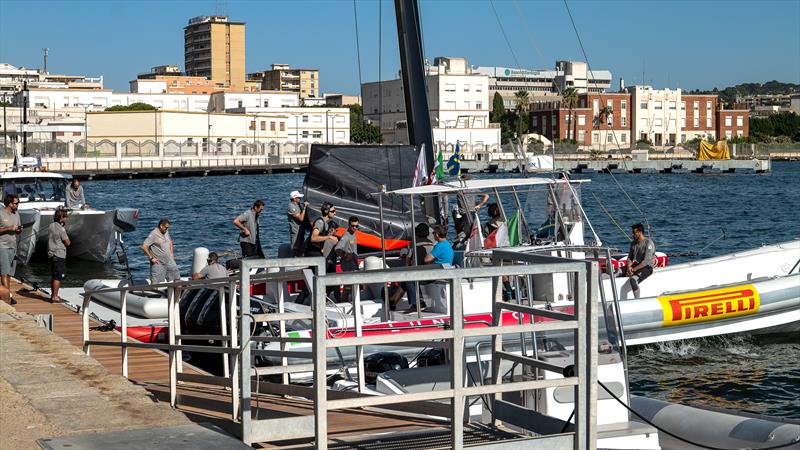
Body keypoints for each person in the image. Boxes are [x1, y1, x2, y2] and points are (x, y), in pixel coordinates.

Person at [390, 223, 435, 312]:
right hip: (429, 271)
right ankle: (392, 301)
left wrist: (407, 267)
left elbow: (408, 258)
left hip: (418, 272)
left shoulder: (414, 244)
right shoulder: (431, 244)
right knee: (405, 283)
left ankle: (415, 303)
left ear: (417, 232)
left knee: (408, 280)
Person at [621, 223, 656, 299]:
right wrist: (629, 267)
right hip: (635, 266)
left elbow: (646, 261)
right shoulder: (633, 244)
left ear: (640, 233)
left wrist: (633, 270)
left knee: (633, 280)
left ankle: (637, 300)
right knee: (616, 271)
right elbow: (630, 258)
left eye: (634, 233)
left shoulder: (648, 243)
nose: (632, 235)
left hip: (647, 268)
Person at [141, 218, 180, 284]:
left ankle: (175, 293)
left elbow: (170, 241)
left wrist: (171, 254)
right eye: (166, 228)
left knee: (176, 277)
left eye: (168, 228)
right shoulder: (153, 234)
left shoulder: (166, 231)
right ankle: (154, 293)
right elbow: (143, 246)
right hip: (158, 262)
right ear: (161, 226)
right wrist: (151, 258)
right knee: (155, 282)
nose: (167, 229)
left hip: (169, 260)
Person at [0, 194, 21, 305]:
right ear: (10, 204)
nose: (18, 205)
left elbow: (18, 229)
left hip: (13, 247)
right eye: (16, 203)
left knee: (9, 274)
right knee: (3, 273)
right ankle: (7, 299)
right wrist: (8, 228)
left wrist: (18, 230)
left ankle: (8, 294)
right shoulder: (0, 213)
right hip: (2, 246)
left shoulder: (16, 214)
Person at [47, 209, 71, 303]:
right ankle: (55, 297)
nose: (67, 219)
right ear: (61, 218)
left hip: (52, 253)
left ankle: (53, 295)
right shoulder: (61, 228)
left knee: (54, 275)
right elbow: (67, 242)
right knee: (58, 276)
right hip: (59, 254)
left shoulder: (51, 225)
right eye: (65, 217)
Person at [287, 190, 310, 256]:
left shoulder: (298, 205)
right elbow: (301, 218)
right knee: (295, 248)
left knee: (302, 248)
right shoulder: (291, 207)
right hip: (296, 231)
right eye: (298, 197)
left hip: (301, 230)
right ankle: (294, 261)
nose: (300, 199)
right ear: (294, 198)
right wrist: (305, 207)